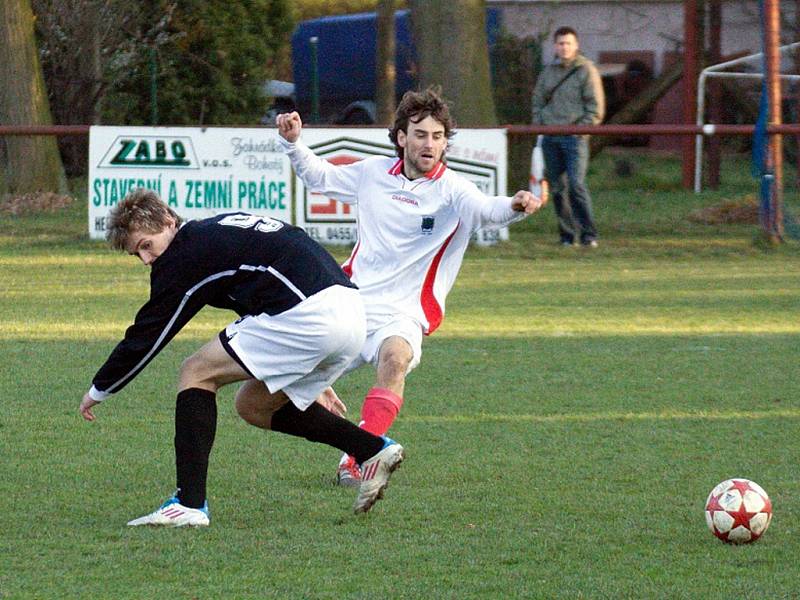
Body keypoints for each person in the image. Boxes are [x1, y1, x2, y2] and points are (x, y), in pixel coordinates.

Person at [78, 189, 404, 527]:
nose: (147, 259)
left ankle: (189, 504)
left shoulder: (184, 254)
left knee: (196, 371)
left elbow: (150, 333)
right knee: (254, 405)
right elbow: (269, 275)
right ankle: (370, 449)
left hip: (309, 315)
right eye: (137, 255)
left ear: (167, 221)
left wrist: (100, 389)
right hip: (348, 312)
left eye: (146, 245)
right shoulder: (214, 233)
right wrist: (312, 365)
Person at [269, 88, 545, 487]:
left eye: (437, 136)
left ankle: (358, 456)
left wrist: (515, 206)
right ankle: (318, 390)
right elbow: (320, 177)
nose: (429, 143)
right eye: (420, 134)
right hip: (351, 302)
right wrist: (293, 143)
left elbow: (487, 211)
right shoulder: (371, 174)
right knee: (277, 389)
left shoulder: (453, 190)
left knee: (394, 361)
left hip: (404, 313)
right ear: (402, 138)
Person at [531, 26, 605, 247]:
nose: (564, 47)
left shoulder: (586, 70)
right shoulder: (547, 72)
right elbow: (538, 100)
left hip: (575, 138)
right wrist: (540, 123)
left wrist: (582, 128)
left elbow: (595, 107)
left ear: (576, 45)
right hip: (551, 137)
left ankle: (588, 234)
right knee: (557, 188)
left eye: (568, 43)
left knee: (576, 185)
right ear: (555, 46)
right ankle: (566, 235)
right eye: (561, 43)